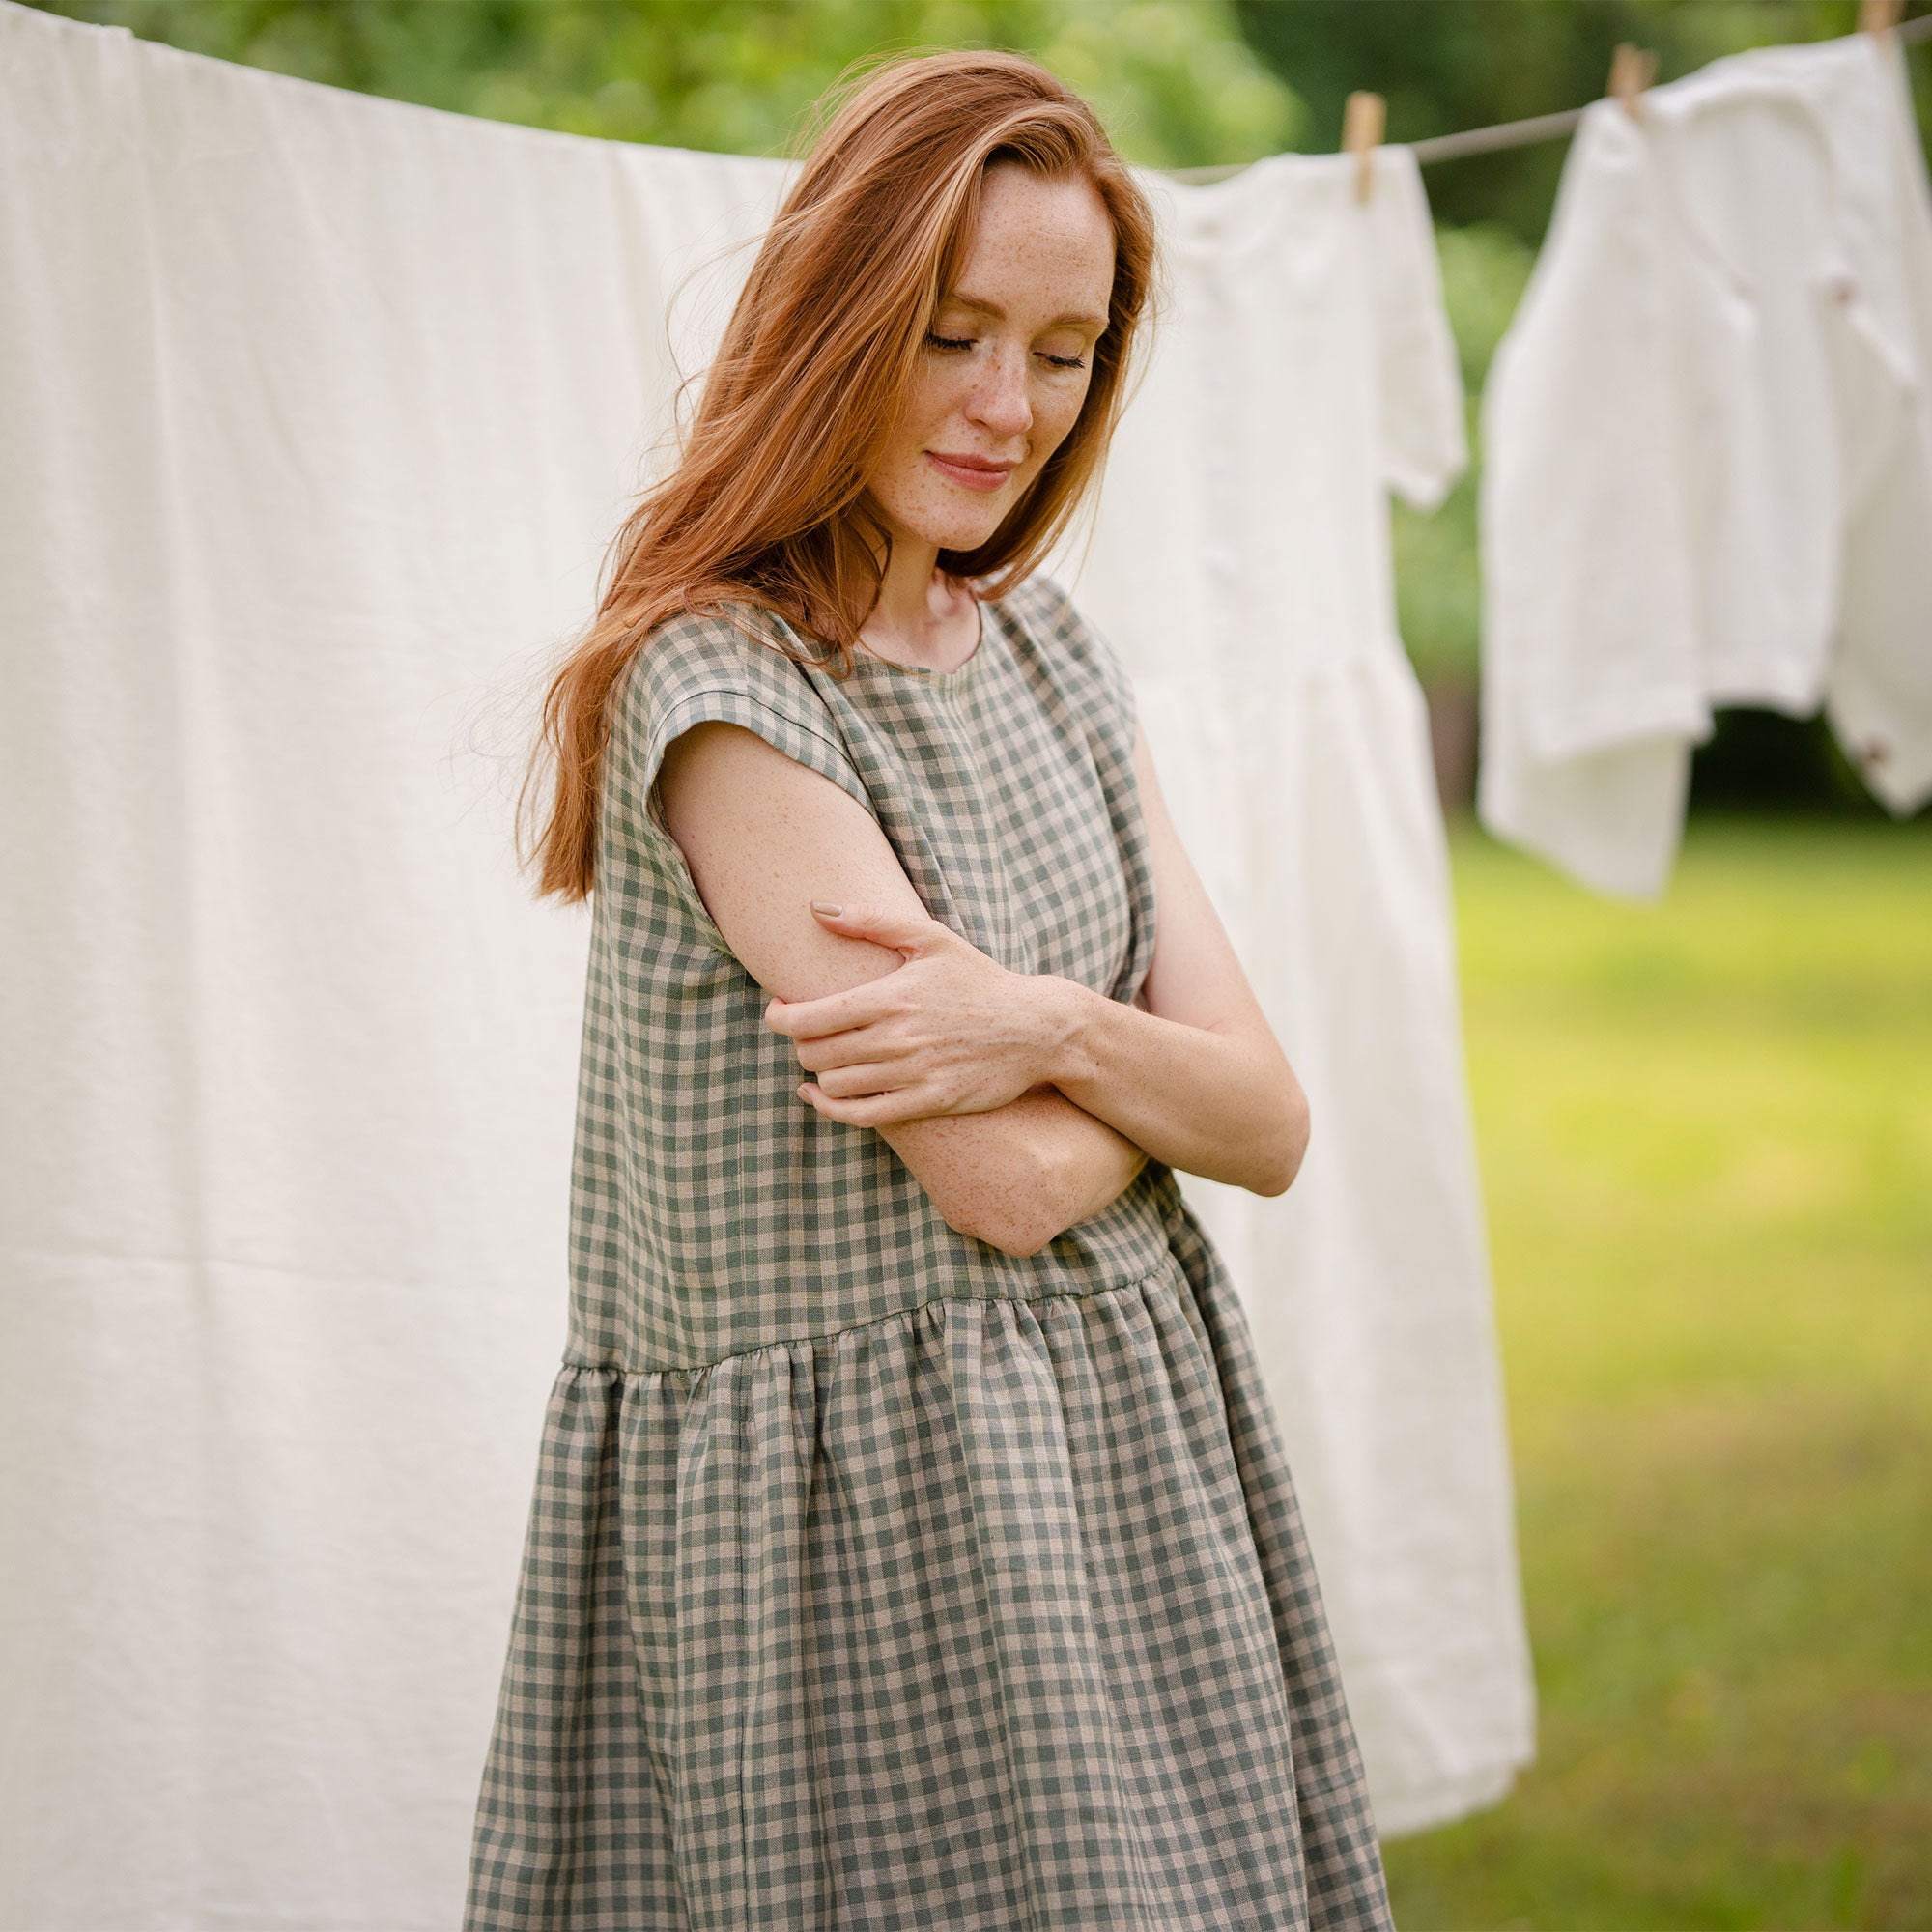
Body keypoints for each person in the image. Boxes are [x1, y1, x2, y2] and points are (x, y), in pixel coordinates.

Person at [469, 46, 1397, 1932]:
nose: (1006, 406)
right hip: (866, 1523)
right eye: (954, 331)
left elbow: (1276, 1121)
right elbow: (998, 1186)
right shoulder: (723, 690)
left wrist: (1043, 1028)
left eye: (1060, 352)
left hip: (1117, 1458)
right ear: (841, 318)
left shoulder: (1045, 648)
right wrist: (1149, 1088)